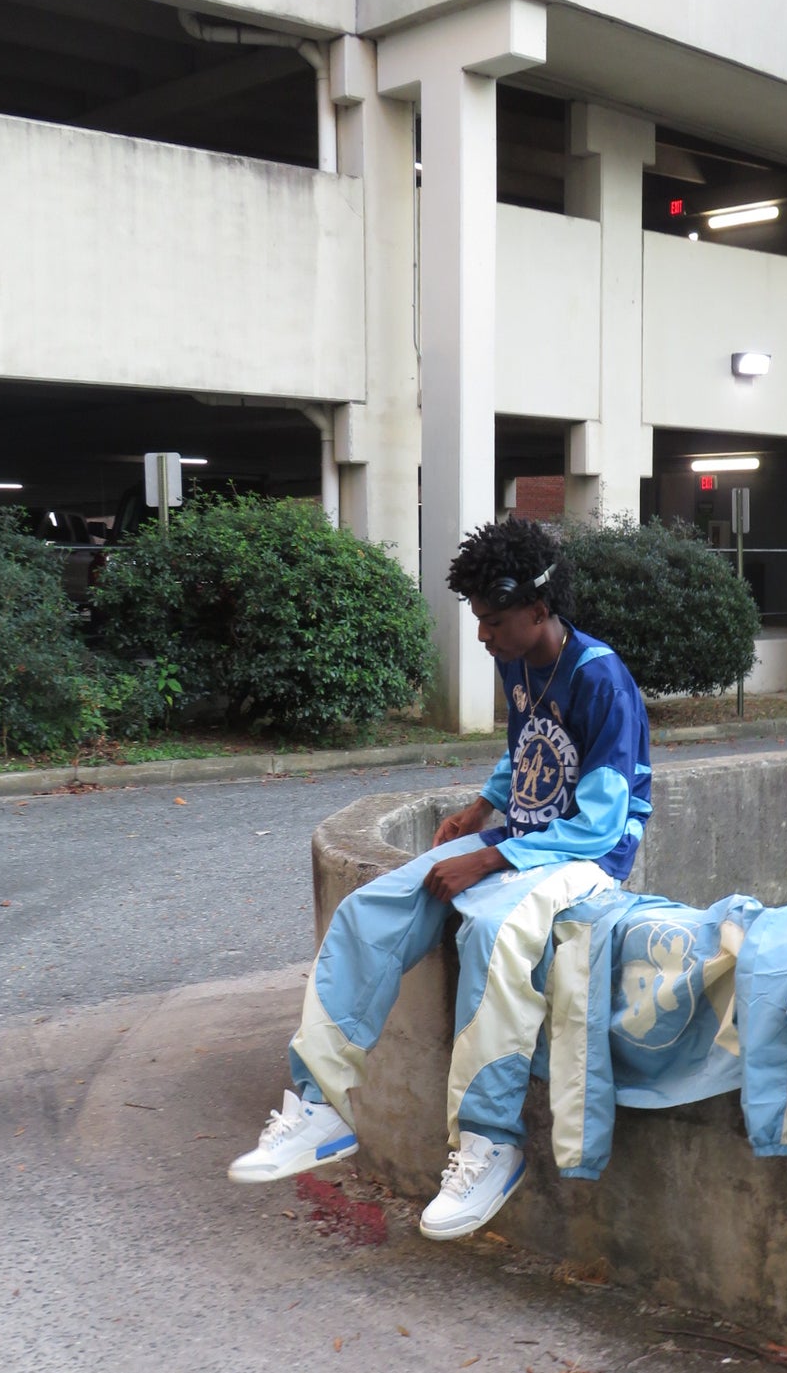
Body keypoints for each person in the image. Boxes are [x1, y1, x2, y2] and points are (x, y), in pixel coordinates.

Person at [227, 518, 652, 1241]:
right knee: (370, 909)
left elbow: (602, 824)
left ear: (538, 611)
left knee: (491, 927)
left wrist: (488, 857)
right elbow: (527, 749)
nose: (482, 635)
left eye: (491, 621)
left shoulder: (600, 678)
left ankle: (491, 1144)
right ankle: (321, 1107)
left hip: (583, 860)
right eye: (479, 619)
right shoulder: (520, 660)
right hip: (521, 838)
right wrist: (482, 805)